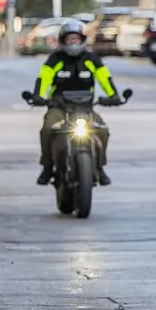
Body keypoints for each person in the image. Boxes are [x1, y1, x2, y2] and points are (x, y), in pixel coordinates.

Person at [33, 19, 121, 186]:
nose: (73, 42)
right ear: (62, 41)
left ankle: (99, 167)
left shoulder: (91, 59)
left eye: (76, 39)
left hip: (85, 108)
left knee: (102, 130)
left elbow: (105, 79)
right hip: (59, 108)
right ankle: (47, 167)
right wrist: (38, 96)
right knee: (47, 128)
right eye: (69, 39)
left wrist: (113, 96)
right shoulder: (55, 59)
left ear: (82, 40)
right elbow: (43, 79)